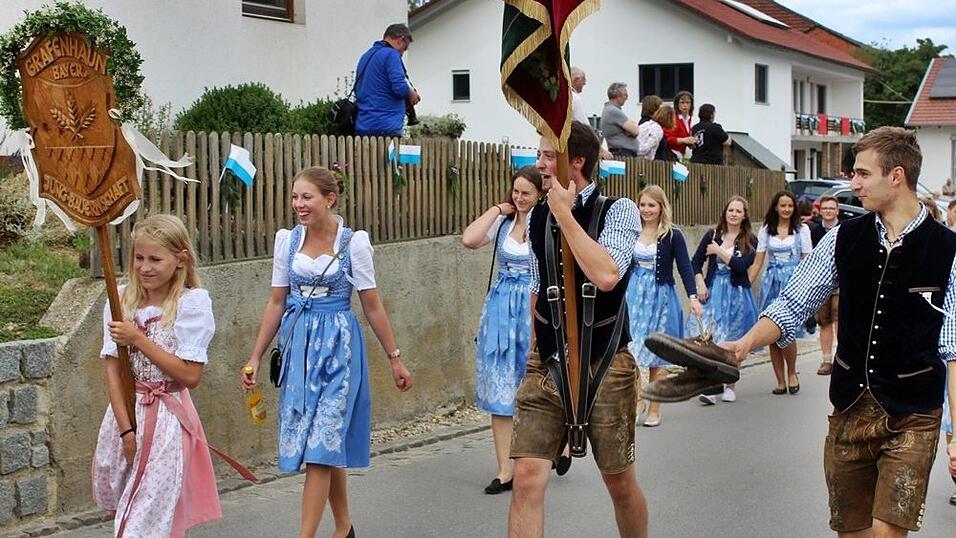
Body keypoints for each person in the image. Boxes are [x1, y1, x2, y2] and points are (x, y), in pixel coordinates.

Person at [702, 127, 956, 536]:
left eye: (861, 173)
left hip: (913, 415)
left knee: (887, 532)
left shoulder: (949, 249)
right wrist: (745, 344)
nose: (852, 184)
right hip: (849, 407)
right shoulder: (842, 238)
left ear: (896, 176)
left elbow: (953, 347)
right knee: (850, 533)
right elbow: (791, 304)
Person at [242, 166, 413, 538]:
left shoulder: (354, 244)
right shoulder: (287, 241)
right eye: (294, 197)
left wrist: (394, 357)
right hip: (299, 349)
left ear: (329, 199)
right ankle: (344, 527)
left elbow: (371, 304)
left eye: (307, 197)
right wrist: (255, 356)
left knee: (322, 444)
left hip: (339, 350)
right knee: (323, 442)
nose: (298, 204)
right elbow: (276, 302)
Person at [509, 121, 647, 537]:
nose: (539, 164)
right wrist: (534, 353)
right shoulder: (535, 218)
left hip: (605, 361)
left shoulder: (618, 210)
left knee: (619, 481)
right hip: (547, 360)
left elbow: (606, 274)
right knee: (527, 477)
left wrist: (565, 215)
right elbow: (538, 287)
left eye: (548, 156)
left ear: (577, 161)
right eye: (540, 155)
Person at [92, 215, 235, 537]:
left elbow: (190, 375)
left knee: (145, 517)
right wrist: (126, 430)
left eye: (155, 259)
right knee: (136, 508)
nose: (144, 267)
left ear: (180, 259)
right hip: (125, 416)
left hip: (168, 422)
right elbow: (113, 370)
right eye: (139, 258)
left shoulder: (191, 304)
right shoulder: (121, 301)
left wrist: (139, 340)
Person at [462, 166, 543, 494]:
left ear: (540, 194)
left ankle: (557, 446)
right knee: (500, 389)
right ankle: (503, 469)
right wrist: (497, 209)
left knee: (536, 383)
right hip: (500, 311)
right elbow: (469, 239)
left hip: (533, 308)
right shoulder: (505, 221)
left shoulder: (546, 224)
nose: (520, 198)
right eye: (516, 191)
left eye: (527, 193)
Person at [627, 185, 702, 427]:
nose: (646, 210)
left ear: (661, 208)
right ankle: (638, 400)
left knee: (656, 353)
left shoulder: (672, 235)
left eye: (651, 205)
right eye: (643, 205)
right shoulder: (631, 231)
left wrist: (692, 297)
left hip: (660, 298)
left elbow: (685, 267)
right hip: (634, 296)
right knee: (632, 352)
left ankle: (655, 408)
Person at [688, 195, 759, 405]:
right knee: (711, 339)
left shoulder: (750, 240)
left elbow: (741, 266)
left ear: (744, 215)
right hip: (713, 292)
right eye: (731, 210)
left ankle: (730, 384)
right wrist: (700, 283)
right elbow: (695, 262)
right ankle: (711, 387)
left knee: (733, 338)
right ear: (725, 212)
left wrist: (719, 251)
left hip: (737, 295)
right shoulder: (712, 234)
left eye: (738, 211)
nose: (734, 214)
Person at [749, 191, 812, 395]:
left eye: (790, 206)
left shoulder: (802, 230)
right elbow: (758, 261)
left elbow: (807, 260)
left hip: (792, 282)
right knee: (771, 332)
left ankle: (792, 372)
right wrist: (747, 283)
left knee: (787, 330)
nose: (786, 209)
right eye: (782, 206)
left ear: (794, 209)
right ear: (776, 207)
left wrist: (805, 287)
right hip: (772, 282)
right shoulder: (767, 230)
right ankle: (779, 380)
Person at [354, 23, 421, 137]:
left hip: (363, 126)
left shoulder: (366, 56)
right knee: (385, 156)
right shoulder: (391, 55)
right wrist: (411, 93)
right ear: (401, 39)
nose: (402, 54)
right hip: (385, 127)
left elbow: (358, 89)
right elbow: (400, 88)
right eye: (404, 49)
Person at [811, 195, 840, 375]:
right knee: (824, 320)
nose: (828, 211)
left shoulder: (844, 229)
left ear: (837, 211)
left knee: (840, 318)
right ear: (820, 211)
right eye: (825, 208)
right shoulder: (814, 231)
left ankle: (842, 357)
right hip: (821, 282)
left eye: (832, 208)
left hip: (840, 281)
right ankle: (826, 359)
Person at [600, 82, 640, 159]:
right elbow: (635, 130)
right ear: (617, 96)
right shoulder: (613, 111)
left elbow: (633, 128)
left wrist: (630, 129)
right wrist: (631, 129)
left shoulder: (610, 110)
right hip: (622, 154)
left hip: (621, 152)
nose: (627, 98)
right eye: (625, 95)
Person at [664, 91, 696, 160]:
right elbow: (667, 139)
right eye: (682, 102)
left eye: (687, 102)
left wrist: (689, 143)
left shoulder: (688, 118)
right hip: (670, 154)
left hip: (680, 155)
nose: (685, 105)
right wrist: (684, 140)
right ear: (677, 104)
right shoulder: (673, 118)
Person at [636, 96, 665, 160]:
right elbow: (645, 147)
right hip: (653, 162)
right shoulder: (649, 124)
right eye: (660, 106)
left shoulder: (651, 122)